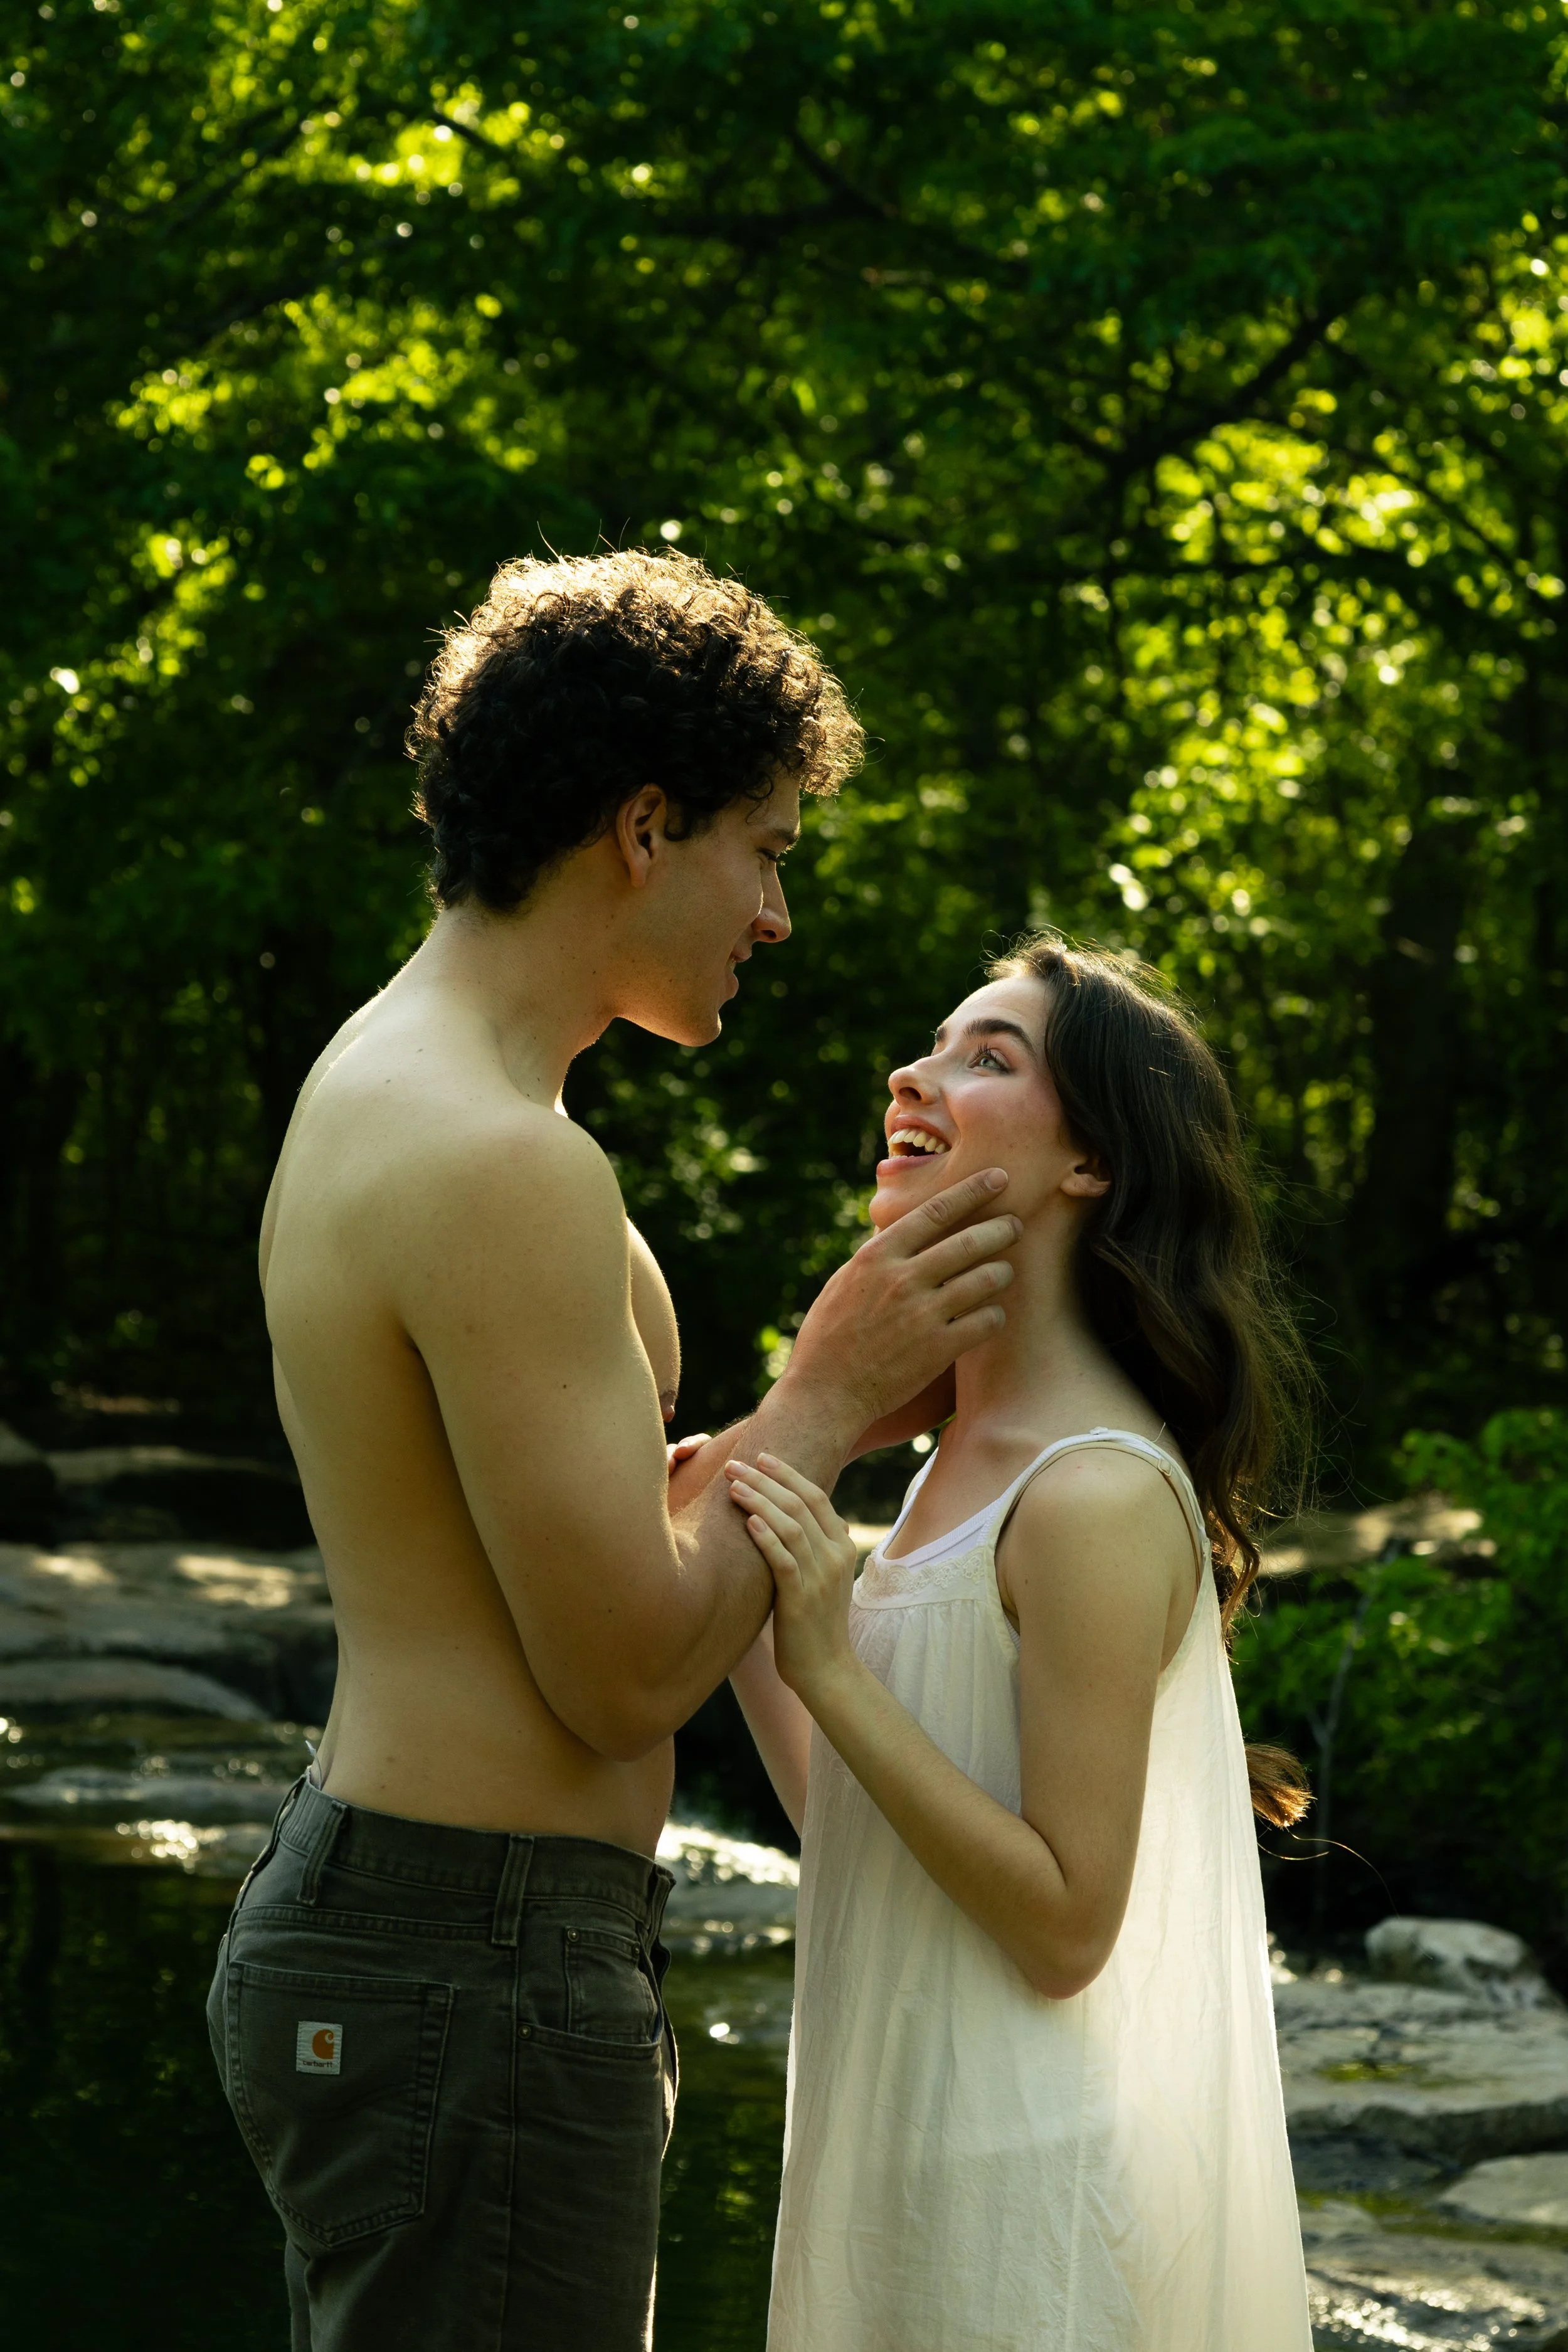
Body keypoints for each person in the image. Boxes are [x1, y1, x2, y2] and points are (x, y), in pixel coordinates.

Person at [204, 548, 1023, 2352]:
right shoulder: (500, 1157)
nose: (775, 914)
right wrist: (820, 1395)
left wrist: (797, 1439)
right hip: (470, 1956)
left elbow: (556, 1562)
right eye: (767, 849)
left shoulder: (414, 1083)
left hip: (438, 1939)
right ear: (646, 827)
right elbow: (622, 1673)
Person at [718, 936, 1316, 2352]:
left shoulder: (1093, 1489)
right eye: (932, 1047)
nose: (910, 1078)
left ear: (1090, 1161)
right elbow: (862, 1832)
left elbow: (1062, 1926)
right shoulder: (947, 1464)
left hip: (1023, 2212)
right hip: (901, 2170)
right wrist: (756, 1611)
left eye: (986, 1058)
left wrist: (828, 1658)